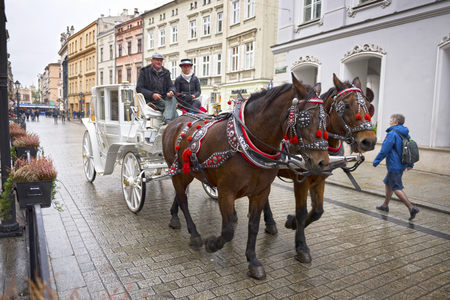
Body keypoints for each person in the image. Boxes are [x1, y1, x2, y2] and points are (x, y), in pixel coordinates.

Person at [373, 114, 419, 221]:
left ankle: (411, 208)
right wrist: (409, 164)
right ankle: (385, 206)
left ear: (396, 122)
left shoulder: (392, 133)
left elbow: (385, 149)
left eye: (391, 120)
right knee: (388, 183)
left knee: (396, 187)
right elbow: (410, 149)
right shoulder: (406, 134)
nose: (389, 122)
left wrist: (376, 161)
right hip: (401, 164)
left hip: (394, 165)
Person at [136, 52, 178, 124]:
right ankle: (171, 122)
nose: (159, 62)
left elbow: (171, 85)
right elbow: (139, 88)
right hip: (151, 99)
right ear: (152, 61)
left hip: (164, 98)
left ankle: (167, 121)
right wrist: (152, 95)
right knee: (170, 105)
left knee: (172, 99)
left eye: (161, 60)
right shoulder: (144, 71)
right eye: (157, 60)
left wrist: (171, 91)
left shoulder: (166, 72)